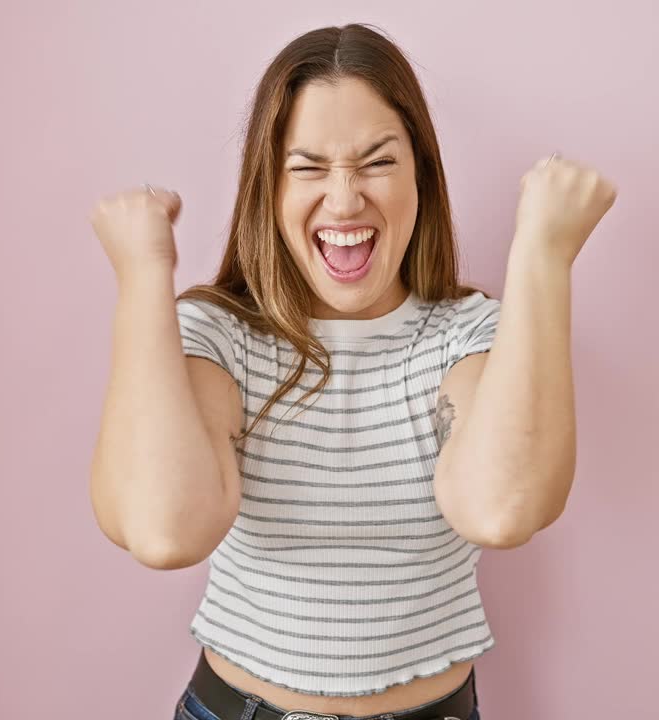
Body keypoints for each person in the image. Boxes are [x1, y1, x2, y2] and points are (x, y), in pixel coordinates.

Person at [88, 23, 617, 720]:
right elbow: (163, 530)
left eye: (377, 162)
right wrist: (143, 275)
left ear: (420, 175)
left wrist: (544, 253)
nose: (343, 201)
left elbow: (503, 508)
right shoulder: (221, 336)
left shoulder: (468, 336)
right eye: (306, 167)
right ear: (266, 188)